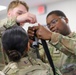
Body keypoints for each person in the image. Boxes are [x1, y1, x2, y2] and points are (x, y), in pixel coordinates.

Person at [28, 10, 76, 75]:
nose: (51, 26)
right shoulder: (50, 45)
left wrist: (51, 35)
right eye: (48, 25)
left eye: (53, 22)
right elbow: (37, 62)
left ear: (66, 20)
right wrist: (33, 44)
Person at [0, 0, 37, 70]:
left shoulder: (23, 36)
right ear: (9, 13)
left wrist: (31, 44)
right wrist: (16, 19)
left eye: (25, 14)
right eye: (19, 13)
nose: (24, 16)